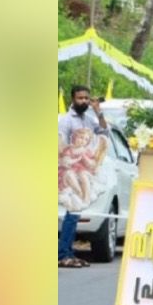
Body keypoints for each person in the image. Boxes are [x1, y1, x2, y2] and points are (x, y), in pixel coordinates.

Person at [59, 85, 107, 268]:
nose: (84, 101)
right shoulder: (66, 121)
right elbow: (60, 145)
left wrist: (98, 112)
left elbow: (104, 133)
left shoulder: (89, 120)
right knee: (72, 214)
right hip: (69, 171)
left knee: (75, 214)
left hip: (84, 171)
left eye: (87, 98)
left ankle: (68, 253)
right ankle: (63, 254)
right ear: (73, 99)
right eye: (80, 98)